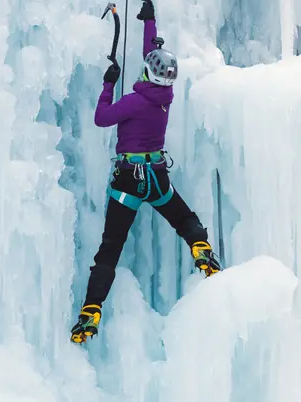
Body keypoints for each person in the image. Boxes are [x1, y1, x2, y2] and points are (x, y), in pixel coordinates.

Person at [70, 0, 222, 344]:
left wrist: (109, 85)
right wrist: (149, 20)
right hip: (156, 177)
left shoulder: (135, 101)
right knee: (183, 217)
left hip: (127, 181)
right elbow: (151, 51)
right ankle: (201, 248)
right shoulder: (164, 95)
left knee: (110, 247)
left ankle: (91, 310)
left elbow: (102, 118)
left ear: (147, 73)